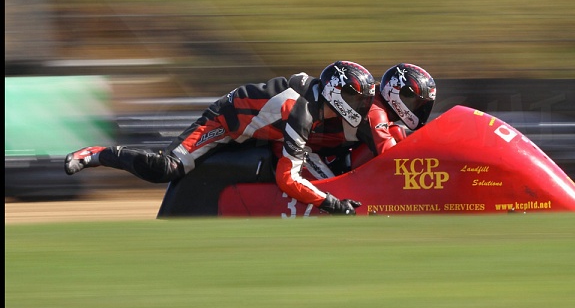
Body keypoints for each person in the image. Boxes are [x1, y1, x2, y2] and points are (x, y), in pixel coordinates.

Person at [64, 61, 376, 215]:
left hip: (264, 132)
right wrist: (331, 202)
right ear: (336, 92)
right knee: (169, 169)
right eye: (357, 98)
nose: (362, 106)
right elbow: (287, 179)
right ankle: (99, 153)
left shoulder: (316, 99)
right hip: (227, 123)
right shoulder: (301, 111)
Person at [305, 63, 437, 174]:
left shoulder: (378, 97)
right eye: (416, 103)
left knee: (397, 132)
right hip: (310, 151)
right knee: (333, 196)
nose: (418, 108)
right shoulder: (375, 111)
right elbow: (394, 158)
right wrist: (433, 166)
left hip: (338, 151)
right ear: (399, 95)